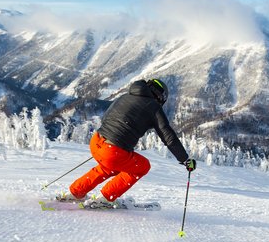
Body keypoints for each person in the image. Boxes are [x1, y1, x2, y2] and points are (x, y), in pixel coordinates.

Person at [65, 79, 196, 207]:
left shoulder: (125, 96)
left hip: (97, 141)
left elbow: (106, 117)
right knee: (143, 166)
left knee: (108, 168)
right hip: (112, 151)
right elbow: (168, 136)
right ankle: (106, 198)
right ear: (160, 96)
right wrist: (185, 159)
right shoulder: (153, 106)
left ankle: (76, 192)